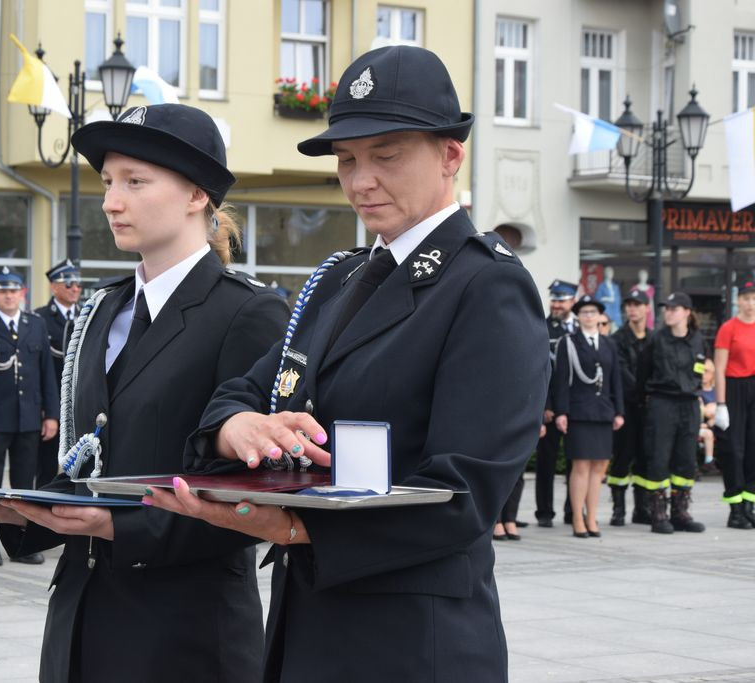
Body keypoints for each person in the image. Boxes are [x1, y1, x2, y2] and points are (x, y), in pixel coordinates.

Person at [147, 46, 550, 681]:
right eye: (347, 160)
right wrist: (237, 428)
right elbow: (247, 389)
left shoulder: (485, 285)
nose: (361, 180)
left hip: (413, 640)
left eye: (386, 156)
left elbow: (466, 492)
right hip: (309, 621)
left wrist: (296, 530)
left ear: (451, 154)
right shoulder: (340, 279)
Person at [0, 102, 289, 682]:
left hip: (184, 631)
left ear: (197, 194)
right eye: (107, 182)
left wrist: (116, 525)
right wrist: (22, 511)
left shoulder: (248, 312)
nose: (111, 201)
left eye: (135, 181)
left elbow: (254, 496)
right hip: (82, 618)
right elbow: (90, 454)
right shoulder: (103, 309)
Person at [0, 267, 59, 566]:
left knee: (23, 486)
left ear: (22, 293)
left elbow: (46, 374)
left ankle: (21, 543)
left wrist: (51, 415)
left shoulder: (35, 325)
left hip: (29, 417)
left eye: (13, 290)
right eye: (2, 291)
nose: (8, 296)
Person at [553, 295, 624, 538]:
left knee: (599, 468)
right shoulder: (568, 343)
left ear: (600, 316)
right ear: (578, 316)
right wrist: (561, 411)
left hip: (603, 411)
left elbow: (616, 380)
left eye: (593, 312)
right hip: (579, 412)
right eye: (584, 312)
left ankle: (592, 517)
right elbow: (560, 380)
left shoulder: (608, 344)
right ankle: (577, 518)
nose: (589, 316)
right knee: (581, 466)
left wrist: (619, 411)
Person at [637, 291, 706, 534]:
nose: (669, 312)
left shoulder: (698, 339)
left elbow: (700, 370)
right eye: (666, 308)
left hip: (688, 403)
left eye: (674, 309)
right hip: (662, 402)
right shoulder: (656, 339)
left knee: (686, 458)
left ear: (687, 312)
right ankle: (658, 513)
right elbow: (642, 374)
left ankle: (680, 512)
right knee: (659, 457)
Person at [33, 260, 82, 489]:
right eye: (69, 283)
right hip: (52, 406)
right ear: (54, 287)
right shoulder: (39, 318)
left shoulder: (87, 314)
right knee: (46, 466)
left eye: (78, 284)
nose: (75, 288)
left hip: (80, 403)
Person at [536, 278, 578, 527]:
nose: (557, 305)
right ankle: (544, 512)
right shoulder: (543, 328)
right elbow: (542, 371)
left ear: (572, 301)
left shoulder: (580, 329)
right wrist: (545, 407)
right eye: (554, 300)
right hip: (550, 408)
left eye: (561, 300)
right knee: (546, 464)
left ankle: (573, 511)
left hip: (576, 408)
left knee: (576, 463)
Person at [713, 280, 755, 529]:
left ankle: (750, 505)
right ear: (738, 300)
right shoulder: (728, 328)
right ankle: (735, 509)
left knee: (753, 448)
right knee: (733, 450)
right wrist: (720, 403)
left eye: (754, 298)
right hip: (734, 388)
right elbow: (719, 367)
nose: (750, 303)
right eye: (746, 298)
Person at [609, 288, 652, 526]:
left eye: (637, 305)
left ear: (647, 308)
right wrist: (644, 391)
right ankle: (618, 509)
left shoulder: (655, 339)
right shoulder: (617, 339)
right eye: (629, 305)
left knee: (645, 457)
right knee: (623, 457)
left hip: (648, 408)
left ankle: (642, 508)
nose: (632, 309)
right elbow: (623, 375)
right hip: (626, 407)